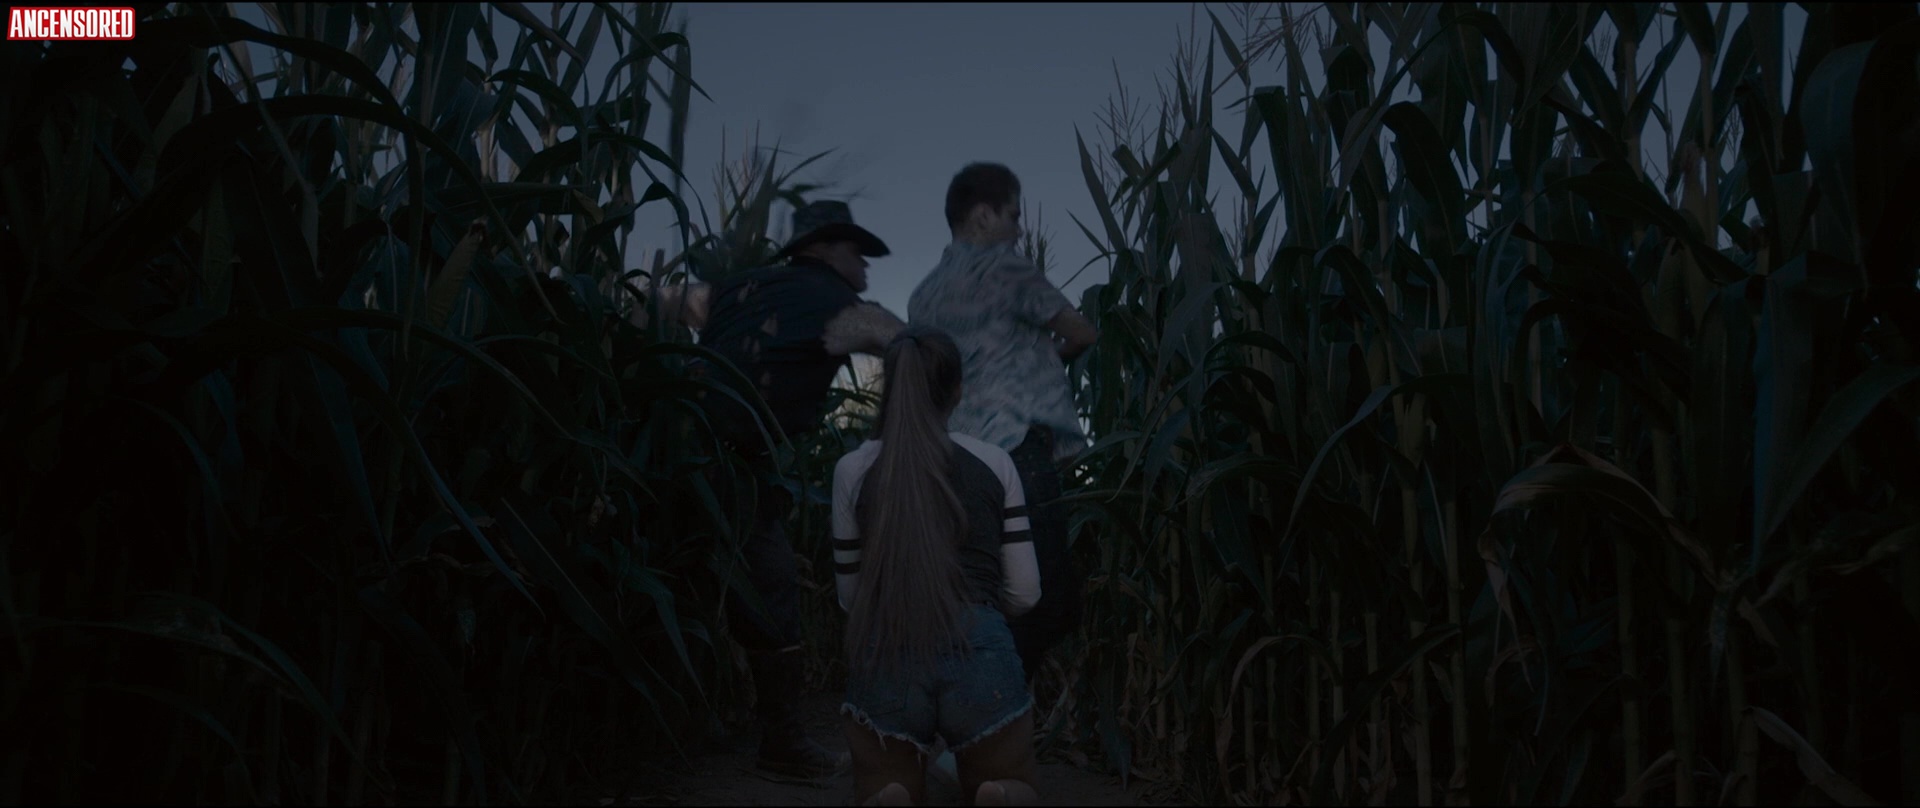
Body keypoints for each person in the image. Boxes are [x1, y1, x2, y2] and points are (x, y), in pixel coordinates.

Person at [612, 200, 907, 778]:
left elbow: (663, 301)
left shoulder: (740, 288)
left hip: (665, 457)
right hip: (730, 469)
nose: (866, 266)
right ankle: (782, 744)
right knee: (771, 591)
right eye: (857, 251)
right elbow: (909, 344)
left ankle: (661, 729)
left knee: (674, 589)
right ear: (822, 248)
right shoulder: (836, 305)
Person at [831, 326, 1044, 807]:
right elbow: (1026, 592)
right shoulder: (995, 463)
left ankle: (892, 795)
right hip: (978, 643)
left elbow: (850, 598)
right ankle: (996, 793)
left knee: (884, 789)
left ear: (892, 387)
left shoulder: (852, 470)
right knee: (1014, 785)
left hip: (886, 648)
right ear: (957, 391)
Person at [907, 163, 1099, 689]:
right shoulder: (1009, 270)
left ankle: (962, 705)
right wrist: (1040, 357)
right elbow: (1083, 333)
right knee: (1050, 602)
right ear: (983, 215)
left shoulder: (923, 295)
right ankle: (993, 707)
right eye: (1013, 214)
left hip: (951, 463)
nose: (1019, 227)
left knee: (976, 593)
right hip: (1017, 454)